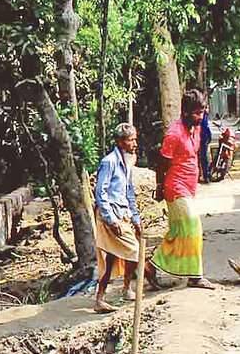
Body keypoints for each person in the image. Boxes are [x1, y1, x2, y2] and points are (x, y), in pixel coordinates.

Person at [150, 90, 216, 289]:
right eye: (197, 113)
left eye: (203, 112)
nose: (201, 117)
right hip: (175, 187)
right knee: (194, 228)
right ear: (186, 112)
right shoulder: (174, 134)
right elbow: (162, 164)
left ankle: (150, 266)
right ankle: (195, 277)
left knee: (178, 233)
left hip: (189, 186)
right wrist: (160, 186)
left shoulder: (195, 129)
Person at [92, 123, 143, 313]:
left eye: (135, 139)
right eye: (131, 140)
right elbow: (100, 193)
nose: (134, 143)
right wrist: (111, 220)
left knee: (113, 257)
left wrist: (136, 219)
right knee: (135, 250)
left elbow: (129, 192)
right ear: (120, 142)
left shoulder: (128, 162)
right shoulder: (109, 162)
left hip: (124, 215)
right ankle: (124, 289)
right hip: (111, 217)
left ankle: (113, 294)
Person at [199, 110, 213, 183]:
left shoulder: (204, 114)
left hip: (204, 138)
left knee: (204, 157)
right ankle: (203, 175)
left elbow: (206, 126)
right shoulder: (200, 113)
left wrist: (209, 136)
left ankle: (206, 175)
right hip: (200, 137)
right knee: (201, 157)